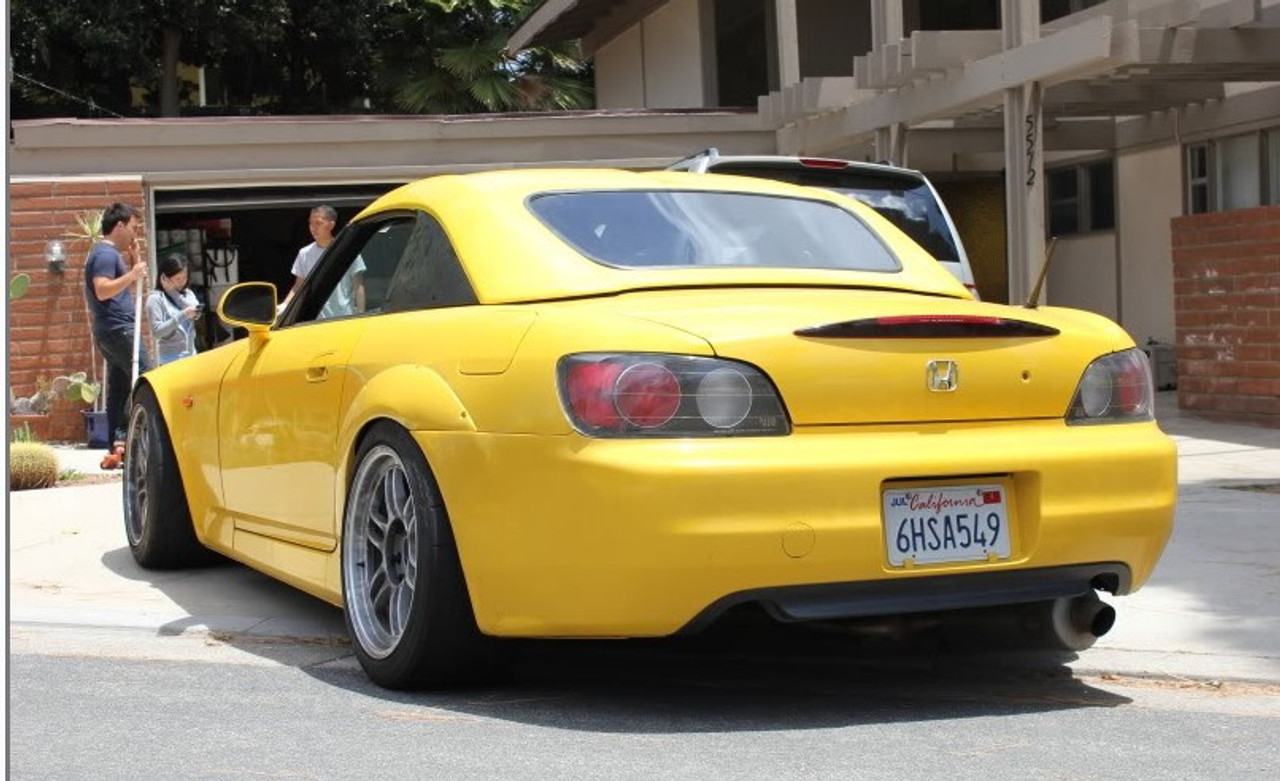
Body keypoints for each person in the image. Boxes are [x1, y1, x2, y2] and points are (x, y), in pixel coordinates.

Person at [84, 201, 152, 448]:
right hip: (117, 327)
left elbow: (122, 288)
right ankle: (126, 436)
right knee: (146, 376)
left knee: (120, 387)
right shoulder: (105, 254)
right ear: (119, 225)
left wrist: (134, 261)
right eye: (134, 227)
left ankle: (117, 442)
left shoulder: (109, 254)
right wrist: (132, 275)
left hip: (110, 329)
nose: (136, 233)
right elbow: (102, 290)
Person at [280, 204, 366, 319]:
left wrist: (361, 315)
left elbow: (358, 286)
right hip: (315, 321)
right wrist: (285, 305)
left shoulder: (347, 250)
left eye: (318, 223)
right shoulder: (304, 254)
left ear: (331, 225)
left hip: (345, 318)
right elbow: (298, 286)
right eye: (311, 223)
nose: (313, 228)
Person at [145, 253, 201, 365]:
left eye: (185, 277)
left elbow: (196, 311)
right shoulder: (155, 299)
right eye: (178, 278)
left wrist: (173, 293)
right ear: (164, 277)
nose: (182, 282)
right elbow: (157, 332)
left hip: (191, 358)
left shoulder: (187, 294)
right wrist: (182, 315)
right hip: (170, 362)